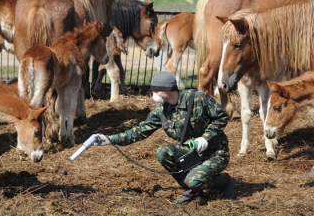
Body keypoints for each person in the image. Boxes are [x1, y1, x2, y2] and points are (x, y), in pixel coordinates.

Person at [92, 71, 233, 205]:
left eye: (155, 91)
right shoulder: (161, 111)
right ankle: (197, 186)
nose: (152, 94)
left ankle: (206, 184)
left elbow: (222, 117)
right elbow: (138, 132)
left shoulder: (197, 98)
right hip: (191, 152)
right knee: (163, 152)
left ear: (167, 90)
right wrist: (109, 139)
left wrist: (205, 138)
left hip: (216, 152)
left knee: (194, 179)